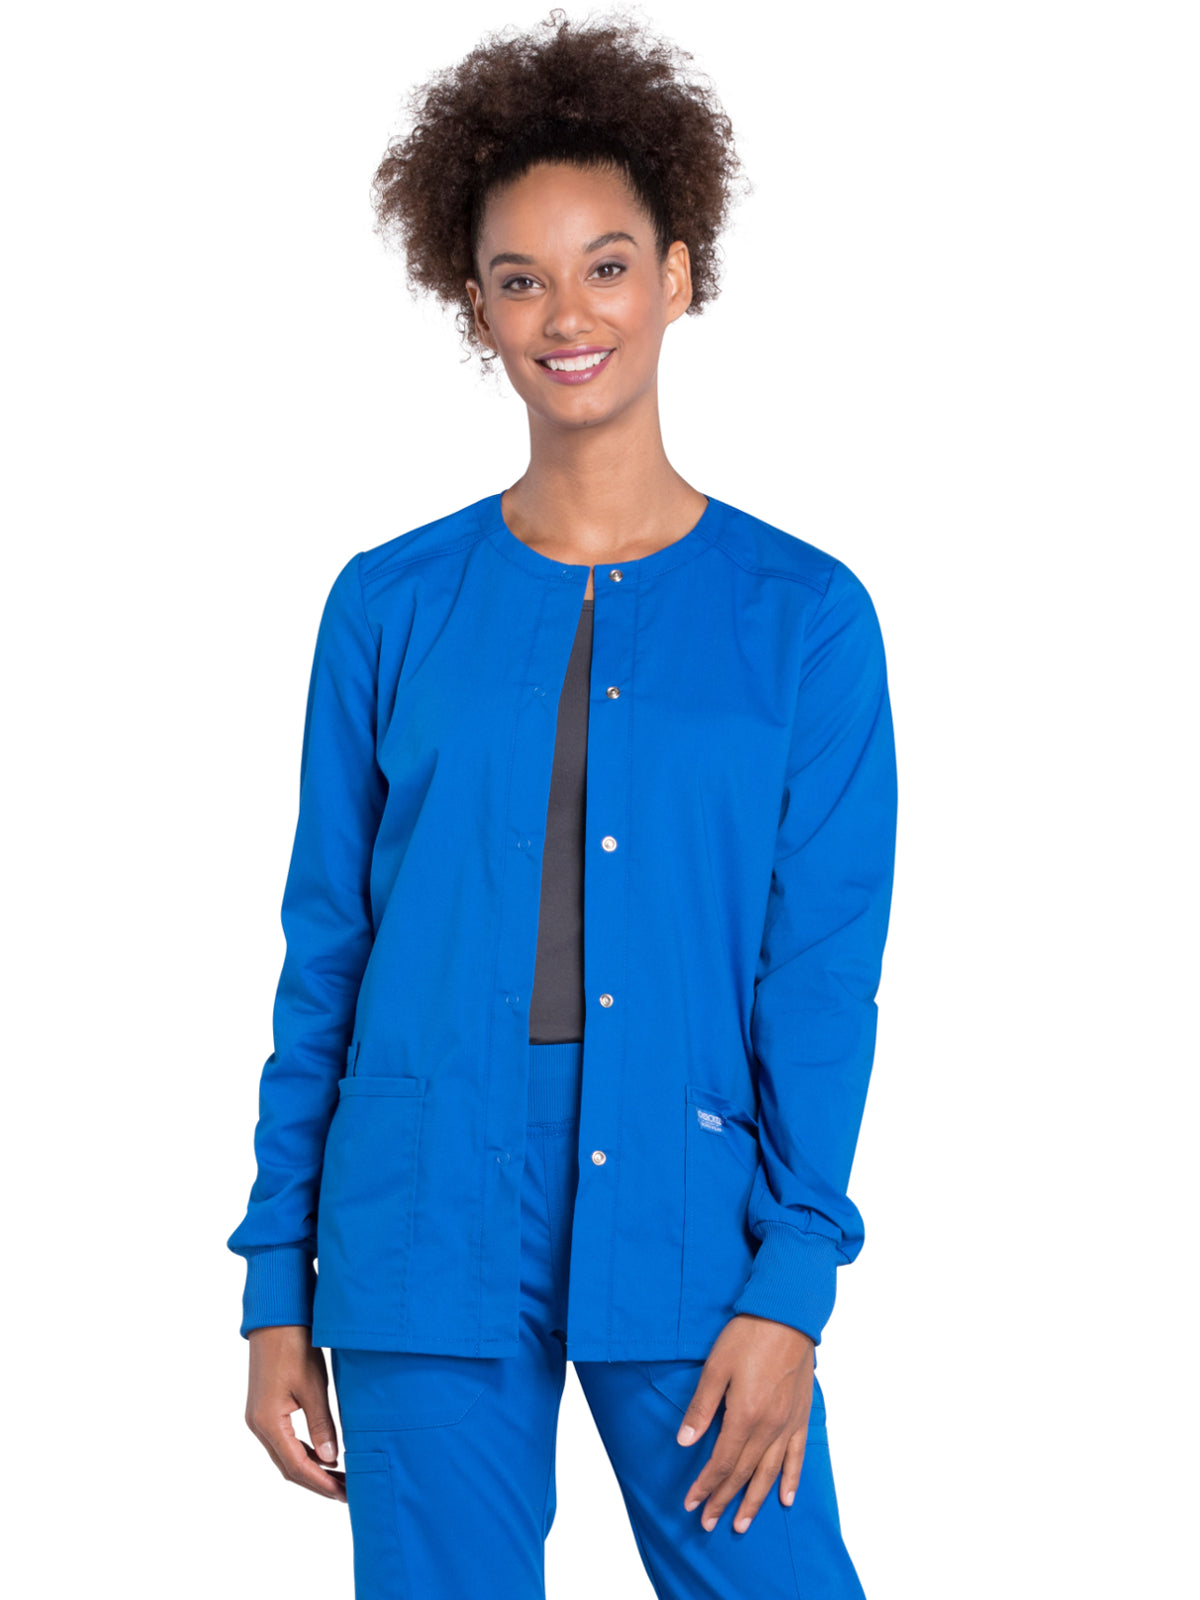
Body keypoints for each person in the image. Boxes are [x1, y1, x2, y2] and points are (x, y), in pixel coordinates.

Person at [227, 10, 898, 1598]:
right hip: (416, 1213)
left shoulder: (804, 619)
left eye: (606, 265)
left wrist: (794, 1281)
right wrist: (274, 1281)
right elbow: (327, 955)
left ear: (679, 274)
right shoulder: (387, 606)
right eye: (520, 279)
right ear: (476, 305)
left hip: (692, 1205)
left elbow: (820, 979)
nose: (568, 313)